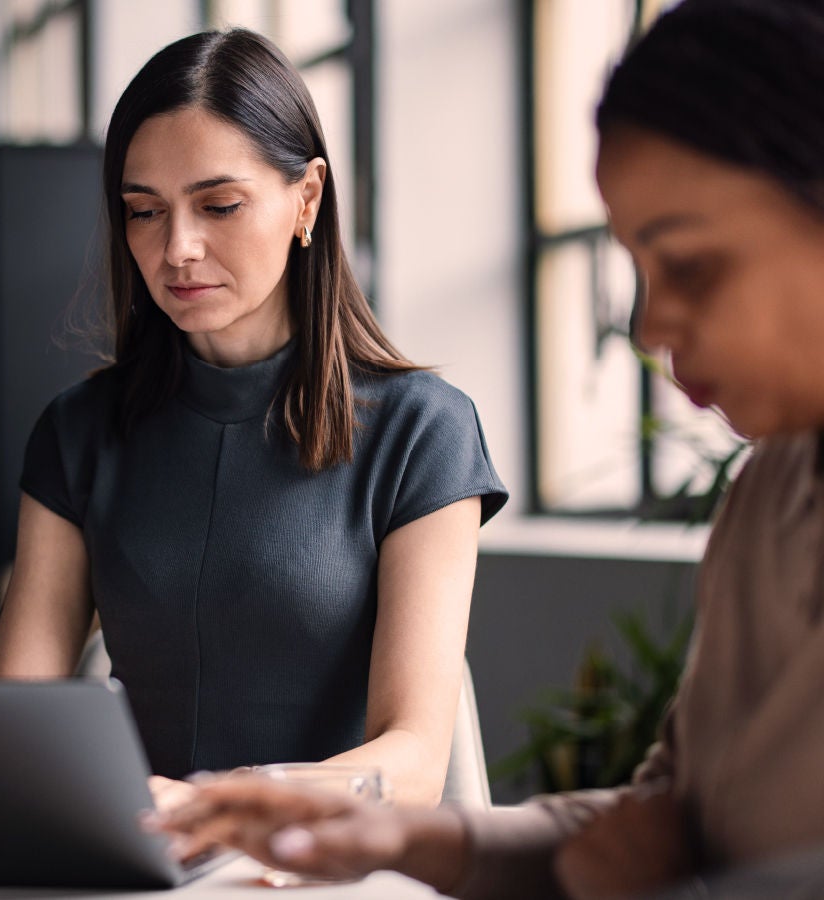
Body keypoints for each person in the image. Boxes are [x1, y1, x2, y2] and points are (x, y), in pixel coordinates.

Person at [150, 1, 824, 897]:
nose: (649, 323)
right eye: (636, 267)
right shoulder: (772, 487)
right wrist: (388, 837)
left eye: (692, 265)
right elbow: (669, 813)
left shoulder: (418, 425)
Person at [0, 27, 508, 809]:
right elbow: (12, 728)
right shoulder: (79, 435)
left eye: (219, 205)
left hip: (326, 873)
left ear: (307, 199)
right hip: (138, 866)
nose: (178, 249)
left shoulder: (421, 434)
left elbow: (411, 760)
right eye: (143, 212)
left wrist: (214, 807)